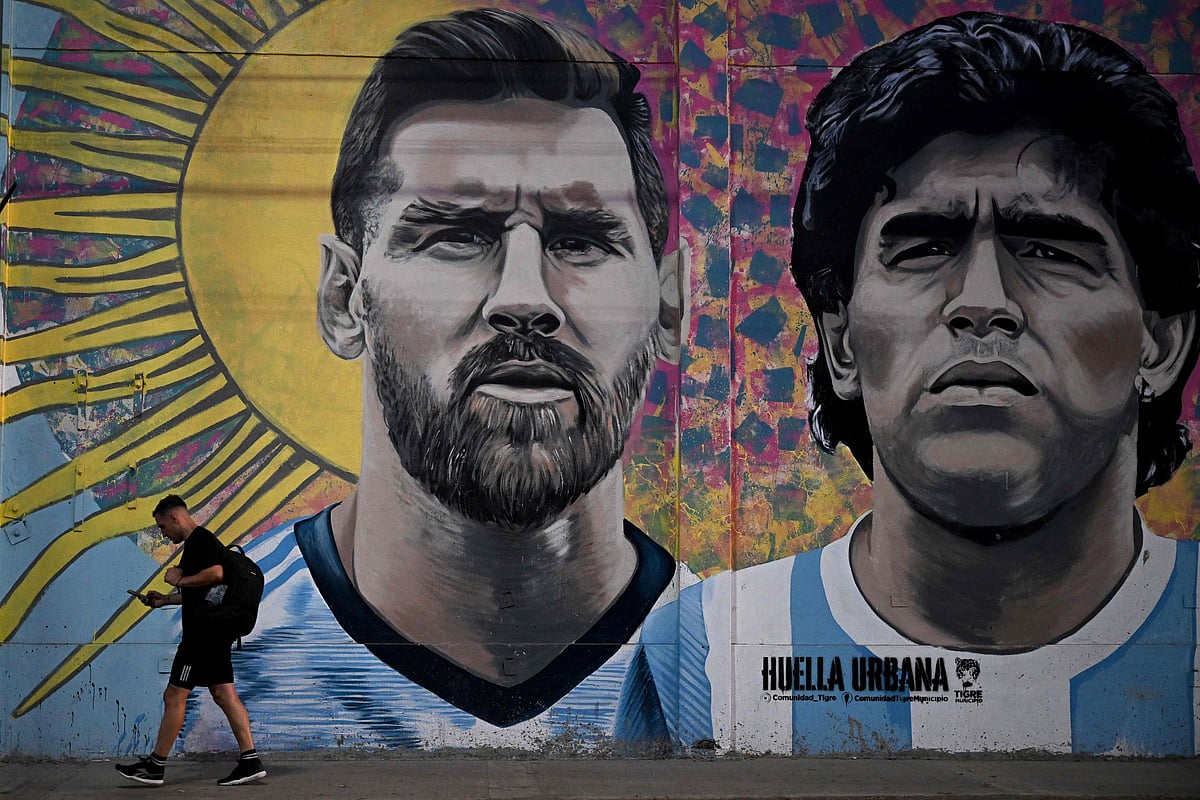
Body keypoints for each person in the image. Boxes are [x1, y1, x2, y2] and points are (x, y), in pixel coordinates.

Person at [619, 11, 1200, 755]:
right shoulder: (708, 653)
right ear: (840, 342)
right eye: (924, 246)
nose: (983, 300)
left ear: (1162, 339)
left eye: (1052, 250)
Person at [193, 8, 689, 748]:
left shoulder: (717, 665)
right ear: (342, 299)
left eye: (583, 241)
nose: (525, 296)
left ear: (671, 307)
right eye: (458, 235)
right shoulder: (215, 664)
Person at [116, 495, 266, 785]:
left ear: (175, 518)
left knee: (175, 694)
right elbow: (208, 591)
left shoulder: (200, 540)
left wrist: (179, 580)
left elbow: (217, 573)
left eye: (162, 526)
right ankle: (250, 760)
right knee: (224, 694)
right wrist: (166, 600)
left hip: (202, 635)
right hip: (216, 632)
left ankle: (155, 767)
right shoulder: (202, 543)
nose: (162, 533)